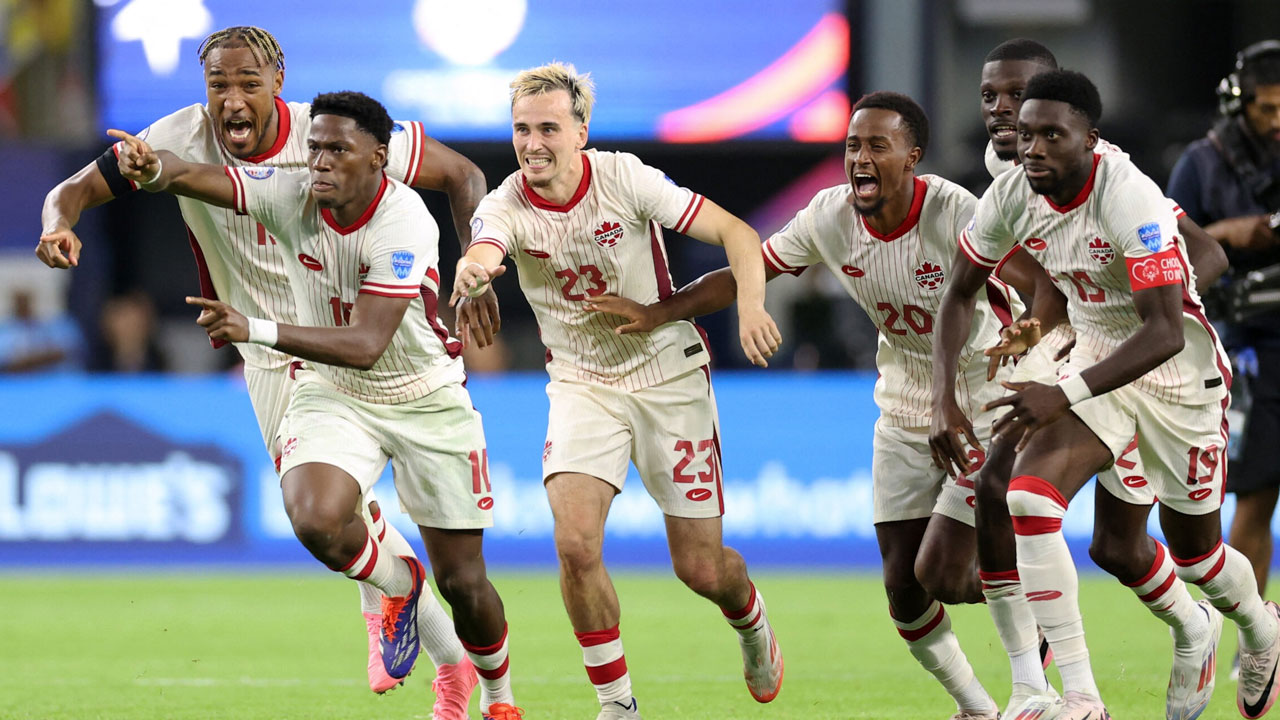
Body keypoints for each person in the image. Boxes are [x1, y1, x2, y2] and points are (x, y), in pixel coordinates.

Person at [34, 26, 488, 710]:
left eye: (249, 83)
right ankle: (439, 647)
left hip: (351, 340)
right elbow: (72, 190)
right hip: (267, 355)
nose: (234, 99)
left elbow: (462, 174)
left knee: (332, 512)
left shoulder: (330, 135)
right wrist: (55, 224)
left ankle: (410, 615)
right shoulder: (174, 136)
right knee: (339, 513)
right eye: (219, 85)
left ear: (279, 78)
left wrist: (474, 268)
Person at [588, 91, 1018, 719]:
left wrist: (1038, 340)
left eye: (877, 145)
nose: (859, 159)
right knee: (903, 590)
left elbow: (1029, 280)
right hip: (899, 405)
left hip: (979, 398)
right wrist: (661, 310)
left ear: (914, 157)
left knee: (946, 574)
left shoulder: (957, 212)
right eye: (851, 146)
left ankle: (1034, 597)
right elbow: (749, 271)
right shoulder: (828, 215)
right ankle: (978, 708)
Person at [111, 91, 524, 720]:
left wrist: (256, 328)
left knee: (465, 584)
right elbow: (199, 176)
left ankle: (499, 698)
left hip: (423, 396)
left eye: (338, 150)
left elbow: (366, 343)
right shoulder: (290, 189)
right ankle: (397, 584)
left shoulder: (404, 220)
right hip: (332, 391)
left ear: (379, 159)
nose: (320, 162)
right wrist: (152, 169)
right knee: (314, 518)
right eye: (314, 148)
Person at [932, 69, 1280, 720]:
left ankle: (1263, 632)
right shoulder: (1010, 194)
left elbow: (1166, 330)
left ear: (1090, 140)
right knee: (1029, 499)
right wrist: (945, 399)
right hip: (1096, 351)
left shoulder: (1131, 198)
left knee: (1196, 555)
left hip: (1176, 374)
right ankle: (1082, 698)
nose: (1033, 147)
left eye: (1050, 136)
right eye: (1024, 134)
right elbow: (958, 292)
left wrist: (1060, 393)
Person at [451, 62, 782, 720]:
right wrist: (473, 274)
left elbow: (739, 235)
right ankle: (617, 703)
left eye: (548, 127)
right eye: (522, 129)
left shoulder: (624, 179)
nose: (533, 143)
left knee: (701, 569)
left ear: (581, 131)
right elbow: (483, 250)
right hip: (582, 383)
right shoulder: (506, 205)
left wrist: (749, 308)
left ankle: (751, 624)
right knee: (575, 543)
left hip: (668, 377)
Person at [1167, 41, 1280, 679]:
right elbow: (1172, 245)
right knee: (1255, 496)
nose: (1277, 120)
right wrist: (1250, 230)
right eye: (1267, 108)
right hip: (1248, 342)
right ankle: (1252, 645)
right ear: (1238, 101)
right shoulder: (1201, 164)